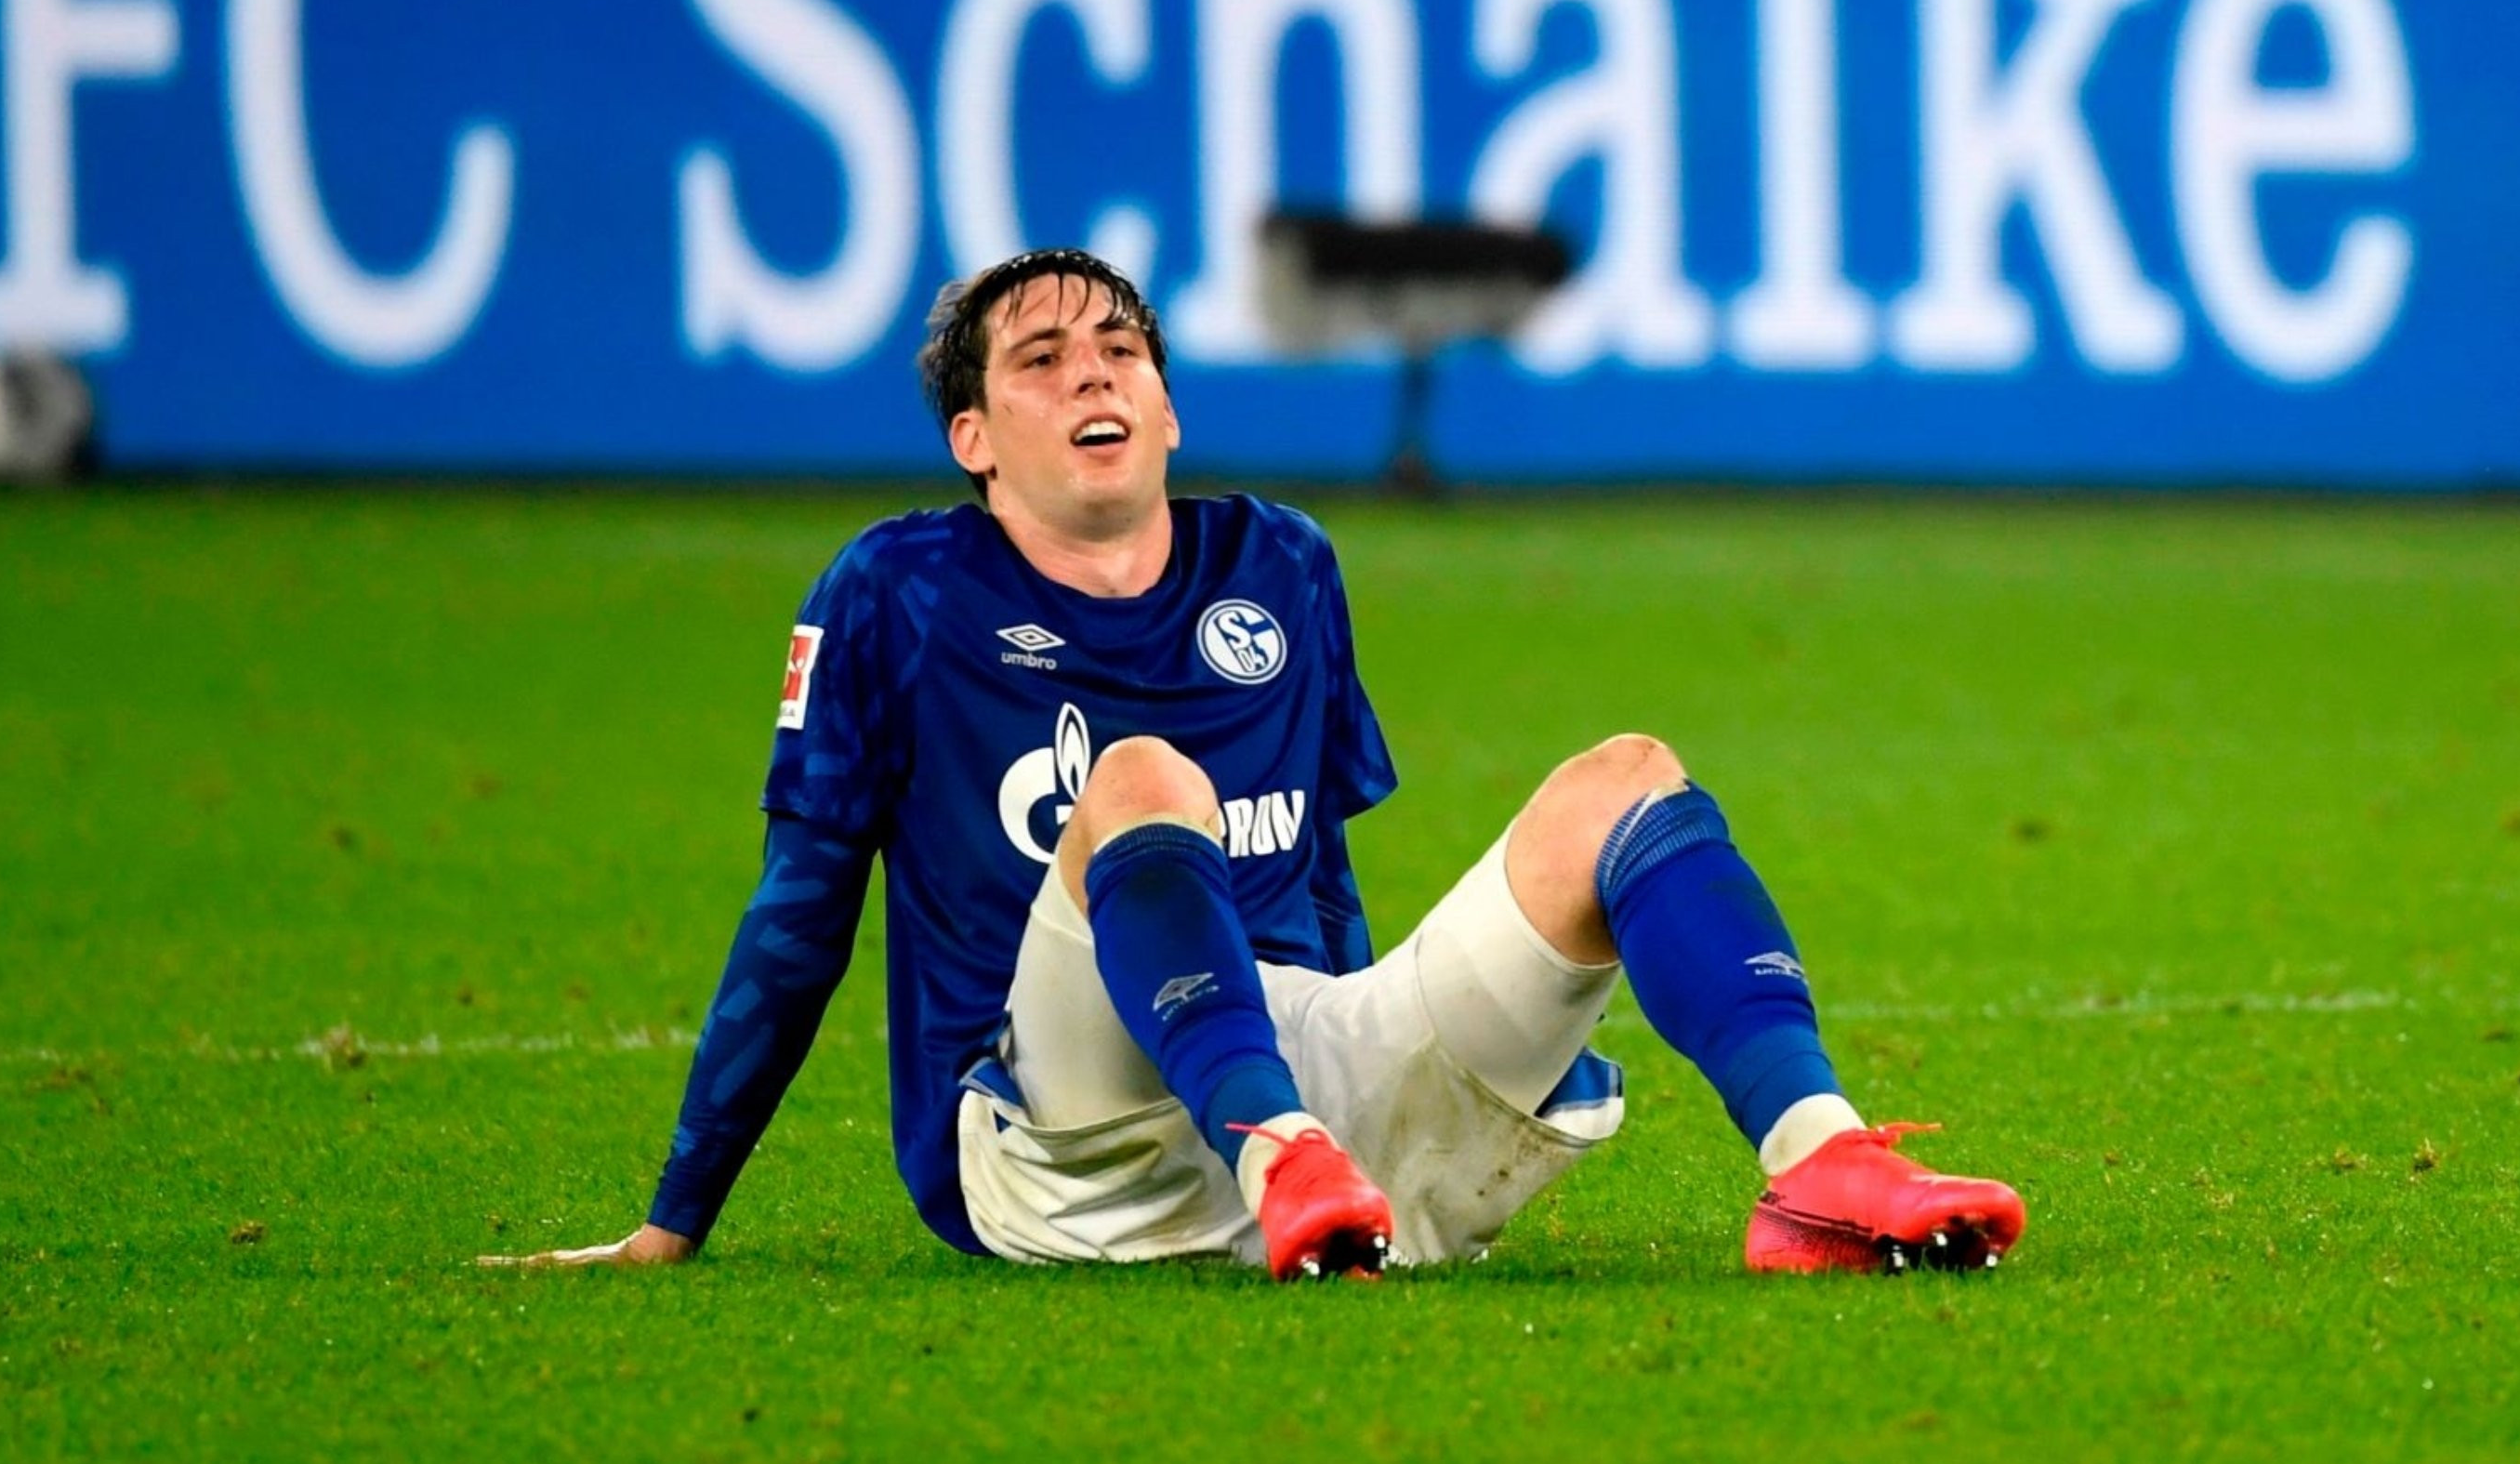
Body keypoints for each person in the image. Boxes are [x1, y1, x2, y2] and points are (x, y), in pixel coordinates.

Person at [486, 248, 2023, 1280]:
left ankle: (1819, 1166)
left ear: (1165, 399)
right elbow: (800, 911)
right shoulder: (894, 594)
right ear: (973, 434)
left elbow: (1323, 877)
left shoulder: (1278, 563)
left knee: (1624, 775)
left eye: (1122, 346)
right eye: (1040, 357)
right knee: (1149, 779)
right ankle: (1283, 1152)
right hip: (1050, 1142)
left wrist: (1393, 1093)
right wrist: (673, 1218)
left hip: (1296, 1091)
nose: (1094, 373)